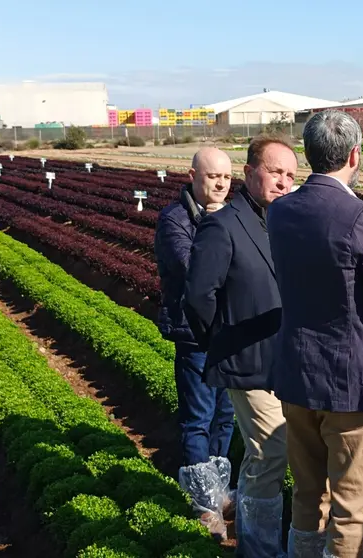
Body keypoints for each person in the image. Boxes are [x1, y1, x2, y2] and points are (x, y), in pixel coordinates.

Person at [266, 109, 363, 558]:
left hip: (298, 376)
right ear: (355, 154)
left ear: (308, 154)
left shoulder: (281, 212)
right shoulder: (362, 216)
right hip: (353, 386)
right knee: (353, 506)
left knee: (308, 495)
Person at [182, 138, 296, 557]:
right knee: (272, 452)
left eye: (290, 175)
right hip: (247, 363)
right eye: (274, 171)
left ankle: (258, 539)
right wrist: (224, 340)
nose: (283, 182)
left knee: (264, 458)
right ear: (249, 173)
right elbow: (198, 297)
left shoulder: (285, 223)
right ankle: (260, 548)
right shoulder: (223, 224)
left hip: (287, 362)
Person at [153, 146, 236, 539]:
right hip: (194, 333)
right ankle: (204, 505)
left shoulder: (232, 215)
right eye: (212, 176)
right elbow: (194, 270)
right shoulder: (175, 219)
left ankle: (219, 493)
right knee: (198, 417)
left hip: (228, 331)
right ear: (192, 176)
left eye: (225, 177)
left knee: (225, 415)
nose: (219, 183)